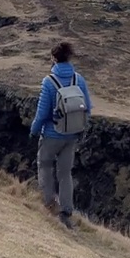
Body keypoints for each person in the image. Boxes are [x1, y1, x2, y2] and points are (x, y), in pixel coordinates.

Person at [29, 39, 92, 228]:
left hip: (51, 134)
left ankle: (49, 204)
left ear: (54, 58)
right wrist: (80, 128)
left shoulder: (49, 82)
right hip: (71, 135)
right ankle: (66, 210)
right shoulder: (78, 79)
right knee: (65, 173)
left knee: (45, 166)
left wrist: (33, 130)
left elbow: (42, 113)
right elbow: (87, 107)